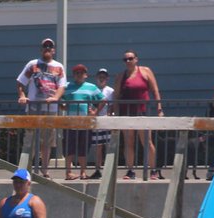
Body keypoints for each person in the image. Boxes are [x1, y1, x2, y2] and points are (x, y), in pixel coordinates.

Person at [16, 38, 65, 177]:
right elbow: (20, 82)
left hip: (51, 110)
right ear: (41, 49)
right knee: (30, 139)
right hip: (33, 108)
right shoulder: (33, 64)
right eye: (45, 46)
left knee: (47, 141)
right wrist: (22, 95)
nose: (47, 48)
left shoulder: (59, 67)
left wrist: (55, 98)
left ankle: (44, 169)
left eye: (50, 46)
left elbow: (62, 86)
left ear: (54, 50)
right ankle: (26, 169)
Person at [115, 51, 164, 180]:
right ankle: (130, 170)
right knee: (128, 142)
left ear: (136, 59)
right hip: (126, 112)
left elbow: (155, 90)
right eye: (125, 59)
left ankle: (153, 170)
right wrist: (114, 112)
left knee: (147, 141)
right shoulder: (121, 76)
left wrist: (159, 108)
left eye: (130, 58)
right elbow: (116, 96)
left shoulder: (145, 71)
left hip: (143, 111)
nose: (128, 61)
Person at [60, 65, 103, 180]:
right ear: (73, 75)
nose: (79, 74)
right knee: (69, 149)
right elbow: (59, 98)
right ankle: (68, 173)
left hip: (85, 124)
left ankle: (83, 172)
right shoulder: (67, 86)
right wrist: (63, 107)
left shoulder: (92, 87)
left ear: (86, 75)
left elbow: (102, 99)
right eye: (76, 72)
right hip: (70, 123)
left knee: (83, 149)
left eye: (81, 72)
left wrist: (95, 112)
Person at [88, 67, 114, 178]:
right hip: (96, 121)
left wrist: (109, 114)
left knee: (108, 146)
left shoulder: (110, 91)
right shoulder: (93, 89)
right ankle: (98, 169)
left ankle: (109, 169)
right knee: (98, 146)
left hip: (107, 121)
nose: (101, 78)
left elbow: (112, 105)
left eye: (104, 77)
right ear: (97, 77)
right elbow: (89, 104)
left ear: (107, 78)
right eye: (100, 76)